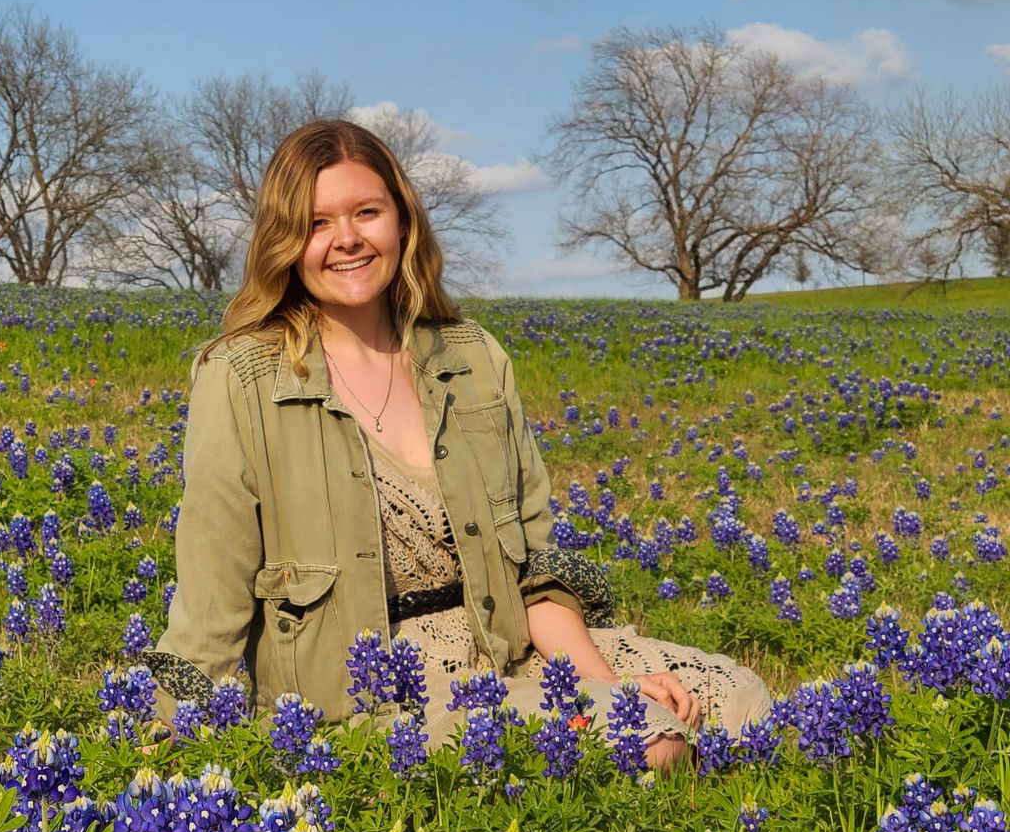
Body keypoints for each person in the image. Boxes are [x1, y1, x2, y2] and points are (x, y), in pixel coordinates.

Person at [145, 119, 773, 763]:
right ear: (286, 240)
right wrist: (181, 743)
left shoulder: (471, 357)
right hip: (375, 685)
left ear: (402, 220)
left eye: (367, 212)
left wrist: (604, 685)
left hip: (502, 638)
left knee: (745, 706)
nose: (348, 239)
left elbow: (534, 569)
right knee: (651, 741)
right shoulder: (242, 375)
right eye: (317, 223)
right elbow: (212, 594)